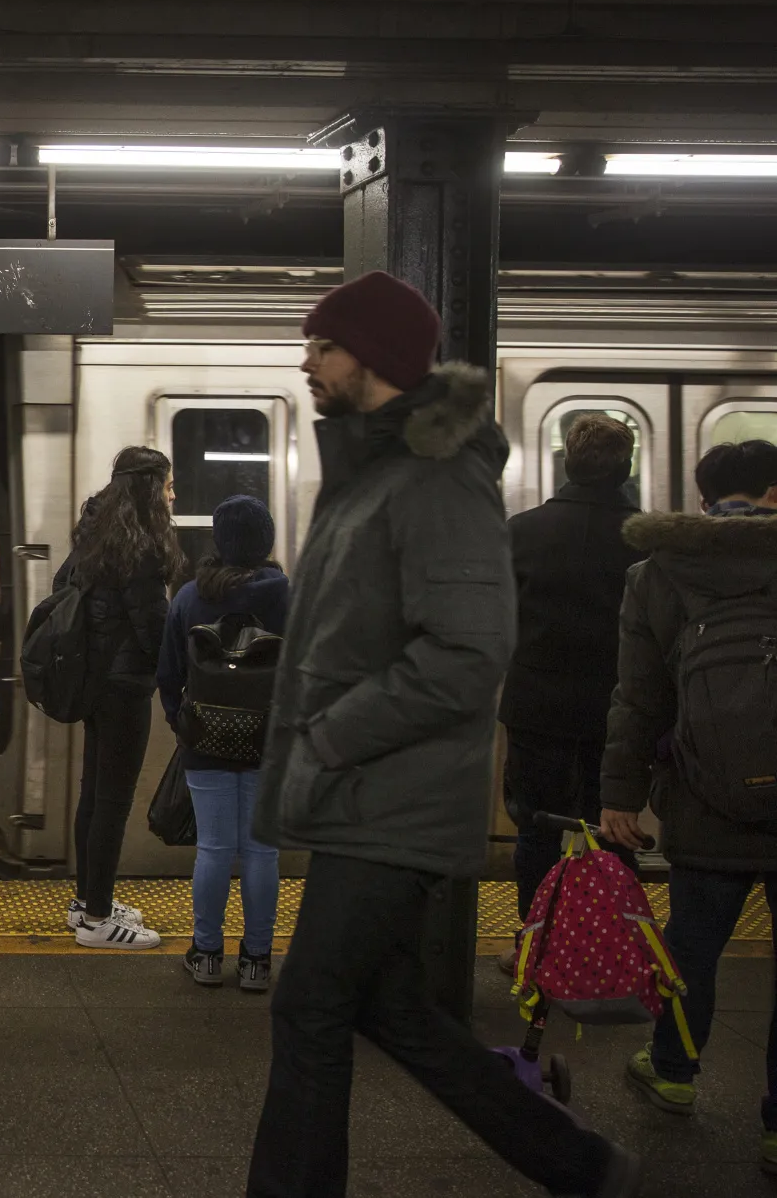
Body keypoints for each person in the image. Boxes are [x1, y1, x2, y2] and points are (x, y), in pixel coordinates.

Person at [246, 272, 638, 1198]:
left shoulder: (432, 479)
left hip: (393, 795)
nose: (307, 361)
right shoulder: (375, 474)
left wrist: (332, 734)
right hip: (367, 794)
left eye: (323, 346)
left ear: (374, 357)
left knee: (307, 1008)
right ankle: (577, 1163)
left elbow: (466, 652)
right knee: (389, 1008)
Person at [602, 437, 777, 1173]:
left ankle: (672, 1070)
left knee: (693, 945)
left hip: (704, 800)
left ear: (702, 495)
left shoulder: (657, 572)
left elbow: (637, 697)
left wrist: (620, 793)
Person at [499, 413, 642, 940]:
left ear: (568, 462)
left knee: (536, 832)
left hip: (536, 707)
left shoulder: (521, 532)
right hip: (617, 712)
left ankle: (535, 942)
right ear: (625, 467)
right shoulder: (644, 540)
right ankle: (609, 944)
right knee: (614, 829)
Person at [155, 494, 287, 991]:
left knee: (213, 849)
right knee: (260, 852)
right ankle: (256, 961)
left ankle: (207, 954)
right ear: (267, 541)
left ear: (220, 541)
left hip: (203, 741)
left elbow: (168, 674)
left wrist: (182, 723)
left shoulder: (190, 596)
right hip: (268, 743)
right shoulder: (288, 595)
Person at [55, 445, 179, 951]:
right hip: (125, 687)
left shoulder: (94, 534)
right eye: (169, 486)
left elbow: (65, 588)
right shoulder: (142, 548)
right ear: (150, 488)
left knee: (93, 794)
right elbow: (154, 629)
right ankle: (100, 920)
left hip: (93, 681)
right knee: (112, 800)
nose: (174, 496)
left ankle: (87, 902)